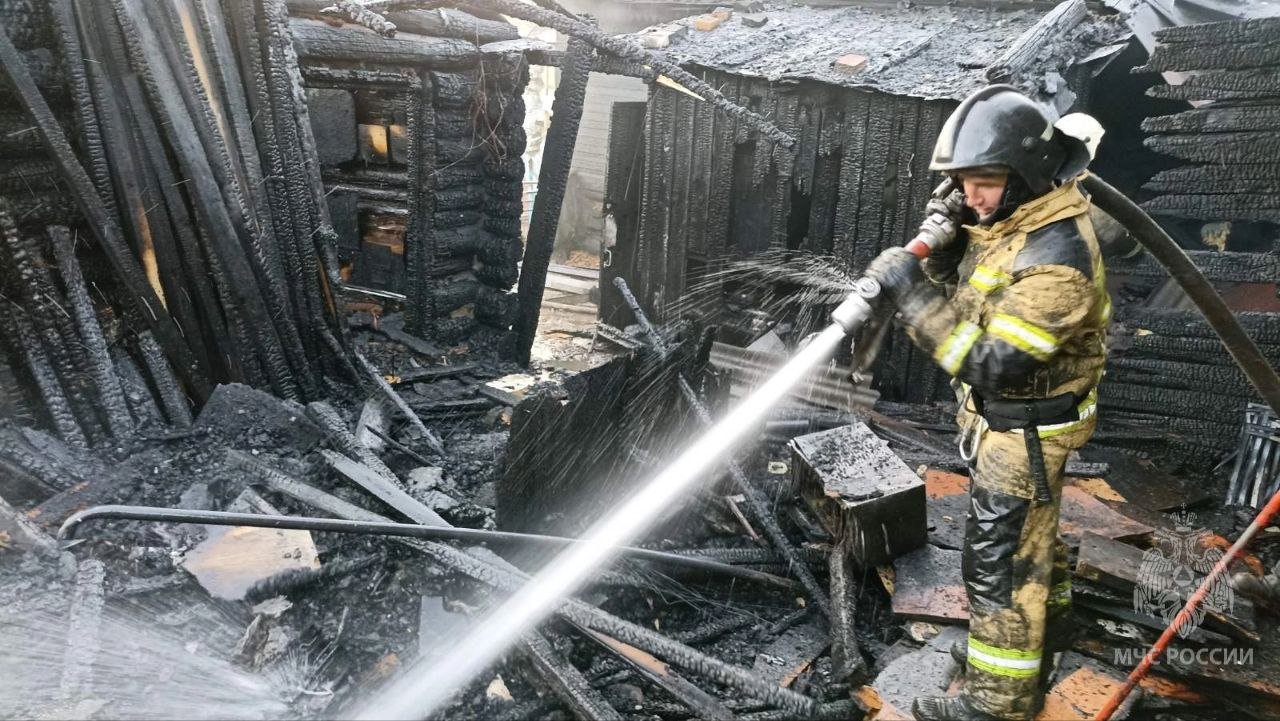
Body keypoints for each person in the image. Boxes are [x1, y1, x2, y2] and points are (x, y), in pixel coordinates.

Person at [864, 85, 1110, 721]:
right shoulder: (1012, 222)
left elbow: (992, 364)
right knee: (1034, 540)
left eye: (985, 182)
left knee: (998, 566)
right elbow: (976, 300)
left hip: (1024, 429)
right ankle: (1050, 633)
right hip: (1008, 424)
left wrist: (911, 294)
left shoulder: (1059, 261)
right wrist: (944, 261)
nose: (969, 198)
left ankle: (997, 702)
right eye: (962, 183)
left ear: (1027, 173)